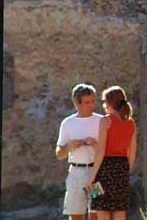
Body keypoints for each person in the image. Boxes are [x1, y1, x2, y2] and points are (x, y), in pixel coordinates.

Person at [88, 86, 137, 220]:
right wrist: (126, 171)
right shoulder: (131, 123)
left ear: (108, 103)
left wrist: (92, 177)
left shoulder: (105, 120)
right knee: (120, 210)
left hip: (103, 169)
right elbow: (132, 153)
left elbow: (101, 150)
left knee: (100, 208)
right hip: (122, 168)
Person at [56, 83, 103, 220]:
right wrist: (69, 146)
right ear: (77, 103)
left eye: (93, 101)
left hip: (96, 174)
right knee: (76, 214)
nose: (91, 105)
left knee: (96, 214)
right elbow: (59, 154)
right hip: (76, 174)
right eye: (87, 102)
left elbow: (108, 150)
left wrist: (96, 145)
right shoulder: (68, 123)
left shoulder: (101, 121)